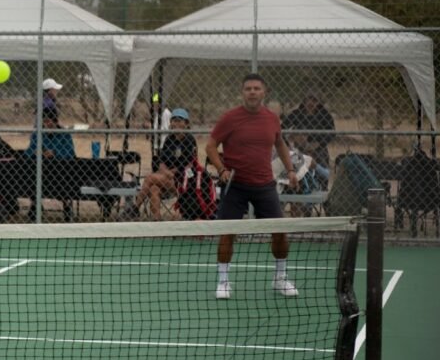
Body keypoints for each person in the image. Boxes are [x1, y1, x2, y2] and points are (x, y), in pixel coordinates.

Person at [205, 73, 299, 300]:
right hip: (234, 185)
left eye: (257, 88)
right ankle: (224, 282)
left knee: (280, 232)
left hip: (265, 185)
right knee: (227, 233)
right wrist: (221, 170)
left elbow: (280, 143)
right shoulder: (229, 118)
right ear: (242, 92)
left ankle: (280, 278)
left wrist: (291, 170)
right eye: (248, 88)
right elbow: (209, 146)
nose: (252, 92)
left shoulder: (272, 119)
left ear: (264, 92)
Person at [126, 108, 197, 221]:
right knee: (154, 189)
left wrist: (171, 172)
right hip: (166, 178)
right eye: (174, 120)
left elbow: (188, 166)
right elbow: (161, 163)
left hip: (182, 181)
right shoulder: (169, 139)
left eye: (179, 120)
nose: (176, 123)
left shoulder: (189, 140)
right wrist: (166, 172)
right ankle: (157, 221)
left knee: (149, 178)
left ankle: (135, 208)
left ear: (186, 123)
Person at [26, 79, 77, 221]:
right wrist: (35, 153)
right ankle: (35, 205)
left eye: (50, 122)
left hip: (59, 169)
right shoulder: (38, 133)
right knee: (29, 170)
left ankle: (67, 206)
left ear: (56, 121)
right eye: (45, 122)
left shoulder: (64, 134)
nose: (47, 124)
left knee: (66, 173)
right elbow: (28, 151)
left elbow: (70, 153)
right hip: (40, 169)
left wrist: (55, 153)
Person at [283, 92, 335, 185]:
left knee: (322, 176)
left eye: (314, 100)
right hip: (299, 148)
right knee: (300, 175)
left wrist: (319, 144)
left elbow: (332, 133)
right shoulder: (297, 113)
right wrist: (288, 145)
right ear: (304, 101)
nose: (311, 103)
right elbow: (281, 130)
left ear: (319, 102)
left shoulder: (324, 114)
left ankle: (321, 190)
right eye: (308, 100)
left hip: (319, 148)